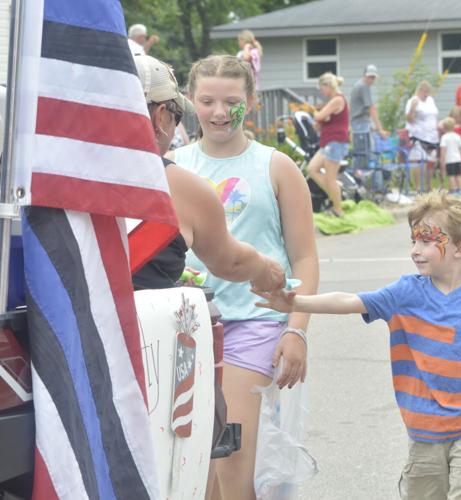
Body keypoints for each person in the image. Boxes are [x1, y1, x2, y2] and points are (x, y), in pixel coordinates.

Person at [252, 192, 461, 500]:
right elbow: (349, 301)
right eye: (414, 241)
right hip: (423, 431)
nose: (415, 249)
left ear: (460, 248)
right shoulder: (405, 293)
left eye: (427, 240)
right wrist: (294, 303)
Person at [173, 54, 319, 500]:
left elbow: (305, 259)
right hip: (187, 325)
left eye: (232, 101)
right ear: (189, 103)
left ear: (251, 103)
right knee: (193, 467)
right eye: (208, 101)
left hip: (254, 323)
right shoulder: (172, 166)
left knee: (232, 458)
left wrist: (297, 332)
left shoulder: (276, 167)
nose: (220, 112)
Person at [130, 54, 286, 293]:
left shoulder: (64, 177)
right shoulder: (178, 186)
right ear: (160, 116)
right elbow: (230, 262)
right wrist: (263, 267)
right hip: (138, 323)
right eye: (177, 115)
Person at [308, 72, 350, 217]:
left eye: (322, 88)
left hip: (335, 142)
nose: (321, 92)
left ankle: (338, 209)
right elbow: (324, 120)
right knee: (312, 169)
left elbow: (319, 116)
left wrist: (316, 113)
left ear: (328, 86)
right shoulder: (333, 102)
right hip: (328, 142)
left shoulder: (337, 100)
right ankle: (335, 194)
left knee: (330, 178)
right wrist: (321, 120)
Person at [350, 64, 387, 175]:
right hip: (360, 126)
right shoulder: (363, 86)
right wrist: (380, 129)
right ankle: (361, 183)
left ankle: (364, 183)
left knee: (362, 156)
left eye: (373, 77)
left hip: (361, 124)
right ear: (365, 76)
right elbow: (371, 108)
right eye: (370, 77)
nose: (372, 80)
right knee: (363, 156)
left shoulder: (359, 85)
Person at [406, 81, 440, 191]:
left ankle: (428, 186)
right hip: (418, 135)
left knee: (431, 161)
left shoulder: (430, 101)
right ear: (419, 91)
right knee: (419, 160)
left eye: (428, 93)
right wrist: (412, 109)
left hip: (432, 136)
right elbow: (409, 120)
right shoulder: (413, 101)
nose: (426, 95)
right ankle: (417, 187)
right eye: (425, 92)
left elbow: (434, 115)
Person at [439, 118, 461, 195]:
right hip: (457, 158)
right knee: (458, 175)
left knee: (451, 175)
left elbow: (443, 149)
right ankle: (460, 189)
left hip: (449, 159)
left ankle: (454, 190)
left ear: (444, 127)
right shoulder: (457, 136)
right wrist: (460, 156)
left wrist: (442, 159)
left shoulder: (444, 137)